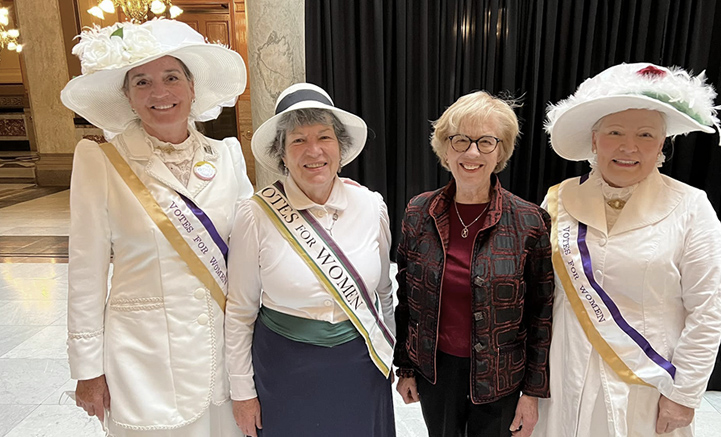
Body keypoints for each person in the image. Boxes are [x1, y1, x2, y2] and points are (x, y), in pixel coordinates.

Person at [60, 19, 253, 436]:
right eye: (142, 82)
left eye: (171, 77)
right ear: (127, 97)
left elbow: (254, 251)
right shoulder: (102, 163)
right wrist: (87, 368)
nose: (159, 93)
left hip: (225, 358)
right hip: (143, 359)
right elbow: (85, 274)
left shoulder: (228, 156)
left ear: (192, 87)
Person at [534, 63, 721, 437]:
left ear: (662, 144)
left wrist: (685, 394)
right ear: (594, 140)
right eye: (614, 132)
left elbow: (708, 308)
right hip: (564, 375)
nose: (629, 147)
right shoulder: (558, 199)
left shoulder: (691, 206)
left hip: (648, 386)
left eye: (645, 134)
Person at [224, 83, 396, 436]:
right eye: (298, 140)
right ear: (281, 154)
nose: (313, 150)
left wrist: (387, 353)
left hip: (360, 369)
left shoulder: (371, 206)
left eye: (324, 137)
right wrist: (242, 393)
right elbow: (240, 312)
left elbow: (383, 294)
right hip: (284, 370)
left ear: (341, 147)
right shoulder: (255, 216)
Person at [393, 90, 554, 437]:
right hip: (436, 372)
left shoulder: (530, 221)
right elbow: (406, 298)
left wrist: (533, 393)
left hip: (501, 375)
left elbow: (542, 314)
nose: (471, 153)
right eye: (460, 140)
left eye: (485, 142)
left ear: (501, 151)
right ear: (445, 147)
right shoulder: (418, 212)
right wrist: (405, 367)